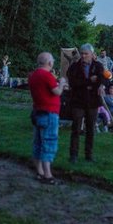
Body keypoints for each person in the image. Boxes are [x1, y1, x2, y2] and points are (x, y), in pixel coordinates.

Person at [29, 51, 66, 184]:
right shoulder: (47, 75)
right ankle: (48, 175)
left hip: (38, 112)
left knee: (38, 142)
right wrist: (61, 82)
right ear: (49, 63)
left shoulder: (33, 75)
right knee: (49, 142)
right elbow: (57, 91)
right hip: (49, 113)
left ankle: (39, 172)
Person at [66, 43, 107, 163]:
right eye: (82, 53)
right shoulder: (74, 67)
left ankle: (89, 155)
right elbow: (73, 83)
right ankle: (73, 155)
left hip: (93, 102)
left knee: (90, 129)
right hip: (78, 101)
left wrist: (101, 85)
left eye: (86, 54)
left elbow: (105, 77)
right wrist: (89, 81)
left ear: (92, 54)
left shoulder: (98, 66)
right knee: (76, 128)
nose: (83, 56)